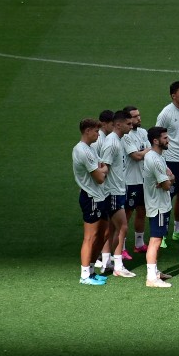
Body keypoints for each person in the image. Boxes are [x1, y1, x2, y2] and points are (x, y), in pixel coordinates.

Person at [97, 109, 135, 278]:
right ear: (117, 124)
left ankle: (108, 263)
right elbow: (104, 168)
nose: (131, 126)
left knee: (112, 229)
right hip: (113, 192)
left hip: (118, 190)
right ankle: (118, 265)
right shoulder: (112, 143)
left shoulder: (118, 140)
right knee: (123, 227)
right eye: (128, 123)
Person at [73, 118, 109, 286]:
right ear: (87, 131)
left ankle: (92, 270)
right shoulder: (82, 151)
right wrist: (102, 169)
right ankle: (85, 274)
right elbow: (101, 177)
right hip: (91, 197)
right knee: (90, 236)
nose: (98, 134)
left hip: (99, 196)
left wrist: (101, 168)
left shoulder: (91, 148)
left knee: (104, 232)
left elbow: (102, 166)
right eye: (96, 131)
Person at [155, 80, 179, 241]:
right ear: (173, 95)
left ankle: (178, 229)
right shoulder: (166, 114)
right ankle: (161, 234)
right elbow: (157, 134)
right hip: (170, 160)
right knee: (167, 197)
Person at [140, 126, 174, 288]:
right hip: (158, 206)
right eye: (165, 138)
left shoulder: (158, 156)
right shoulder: (153, 159)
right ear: (156, 141)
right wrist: (169, 180)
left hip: (162, 204)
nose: (168, 140)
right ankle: (151, 278)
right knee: (155, 240)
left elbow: (170, 177)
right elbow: (167, 184)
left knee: (159, 239)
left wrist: (169, 179)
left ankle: (155, 271)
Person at [121, 105, 151, 253]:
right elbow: (136, 156)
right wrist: (148, 151)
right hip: (130, 181)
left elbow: (146, 153)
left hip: (143, 180)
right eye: (134, 116)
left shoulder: (143, 132)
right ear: (127, 119)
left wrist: (145, 151)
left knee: (142, 211)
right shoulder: (125, 136)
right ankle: (122, 247)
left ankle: (139, 244)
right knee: (127, 214)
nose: (139, 118)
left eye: (139, 115)